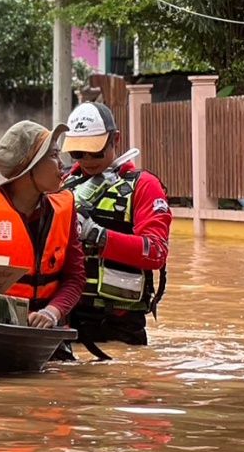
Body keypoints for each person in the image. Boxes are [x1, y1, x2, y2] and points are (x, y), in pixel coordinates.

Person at [0, 120, 85, 329]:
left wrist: (52, 312)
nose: (61, 164)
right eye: (53, 155)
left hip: (49, 333)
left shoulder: (65, 207)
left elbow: (75, 278)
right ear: (29, 168)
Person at [62, 102, 170, 345]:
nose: (88, 160)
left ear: (115, 139)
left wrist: (99, 235)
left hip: (119, 326)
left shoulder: (144, 186)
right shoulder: (62, 185)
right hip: (65, 320)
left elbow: (156, 252)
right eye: (78, 153)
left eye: (96, 151)